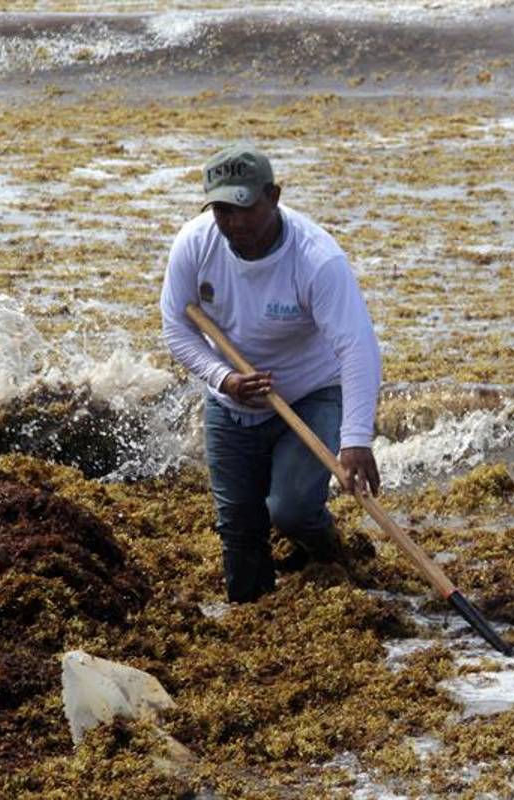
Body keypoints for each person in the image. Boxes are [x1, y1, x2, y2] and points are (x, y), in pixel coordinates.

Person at [159, 143, 382, 603]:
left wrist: (356, 438)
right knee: (239, 528)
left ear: (273, 196)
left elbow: (357, 346)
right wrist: (224, 380)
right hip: (231, 400)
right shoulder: (195, 244)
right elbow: (176, 328)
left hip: (308, 391)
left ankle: (329, 554)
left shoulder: (317, 259)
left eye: (244, 209)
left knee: (293, 510)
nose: (234, 224)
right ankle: (252, 615)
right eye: (222, 210)